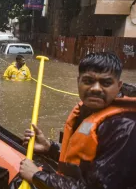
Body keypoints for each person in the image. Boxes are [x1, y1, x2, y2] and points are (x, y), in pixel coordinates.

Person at [20, 52, 136, 188]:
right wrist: (50, 148)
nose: (96, 89)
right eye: (88, 81)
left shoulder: (124, 128)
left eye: (106, 83)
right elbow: (83, 162)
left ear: (119, 86)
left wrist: (37, 175)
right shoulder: (89, 110)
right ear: (78, 81)